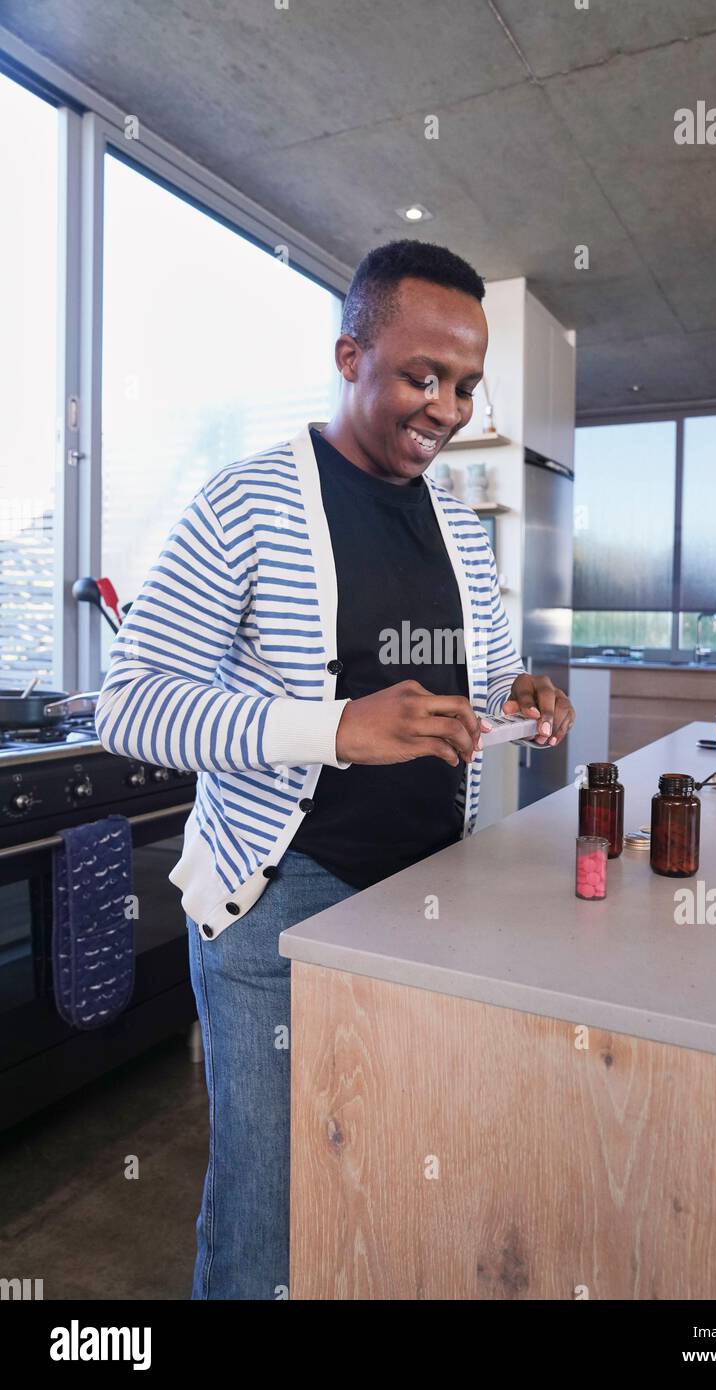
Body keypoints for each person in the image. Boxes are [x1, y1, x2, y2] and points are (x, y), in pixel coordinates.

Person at [95, 239, 575, 1299]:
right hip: (278, 901)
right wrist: (333, 727)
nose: (446, 407)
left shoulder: (456, 524)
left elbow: (484, 679)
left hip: (427, 893)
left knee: (379, 1175)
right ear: (350, 354)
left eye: (463, 384)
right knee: (268, 1209)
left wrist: (523, 691)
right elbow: (128, 704)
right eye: (420, 375)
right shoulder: (248, 502)